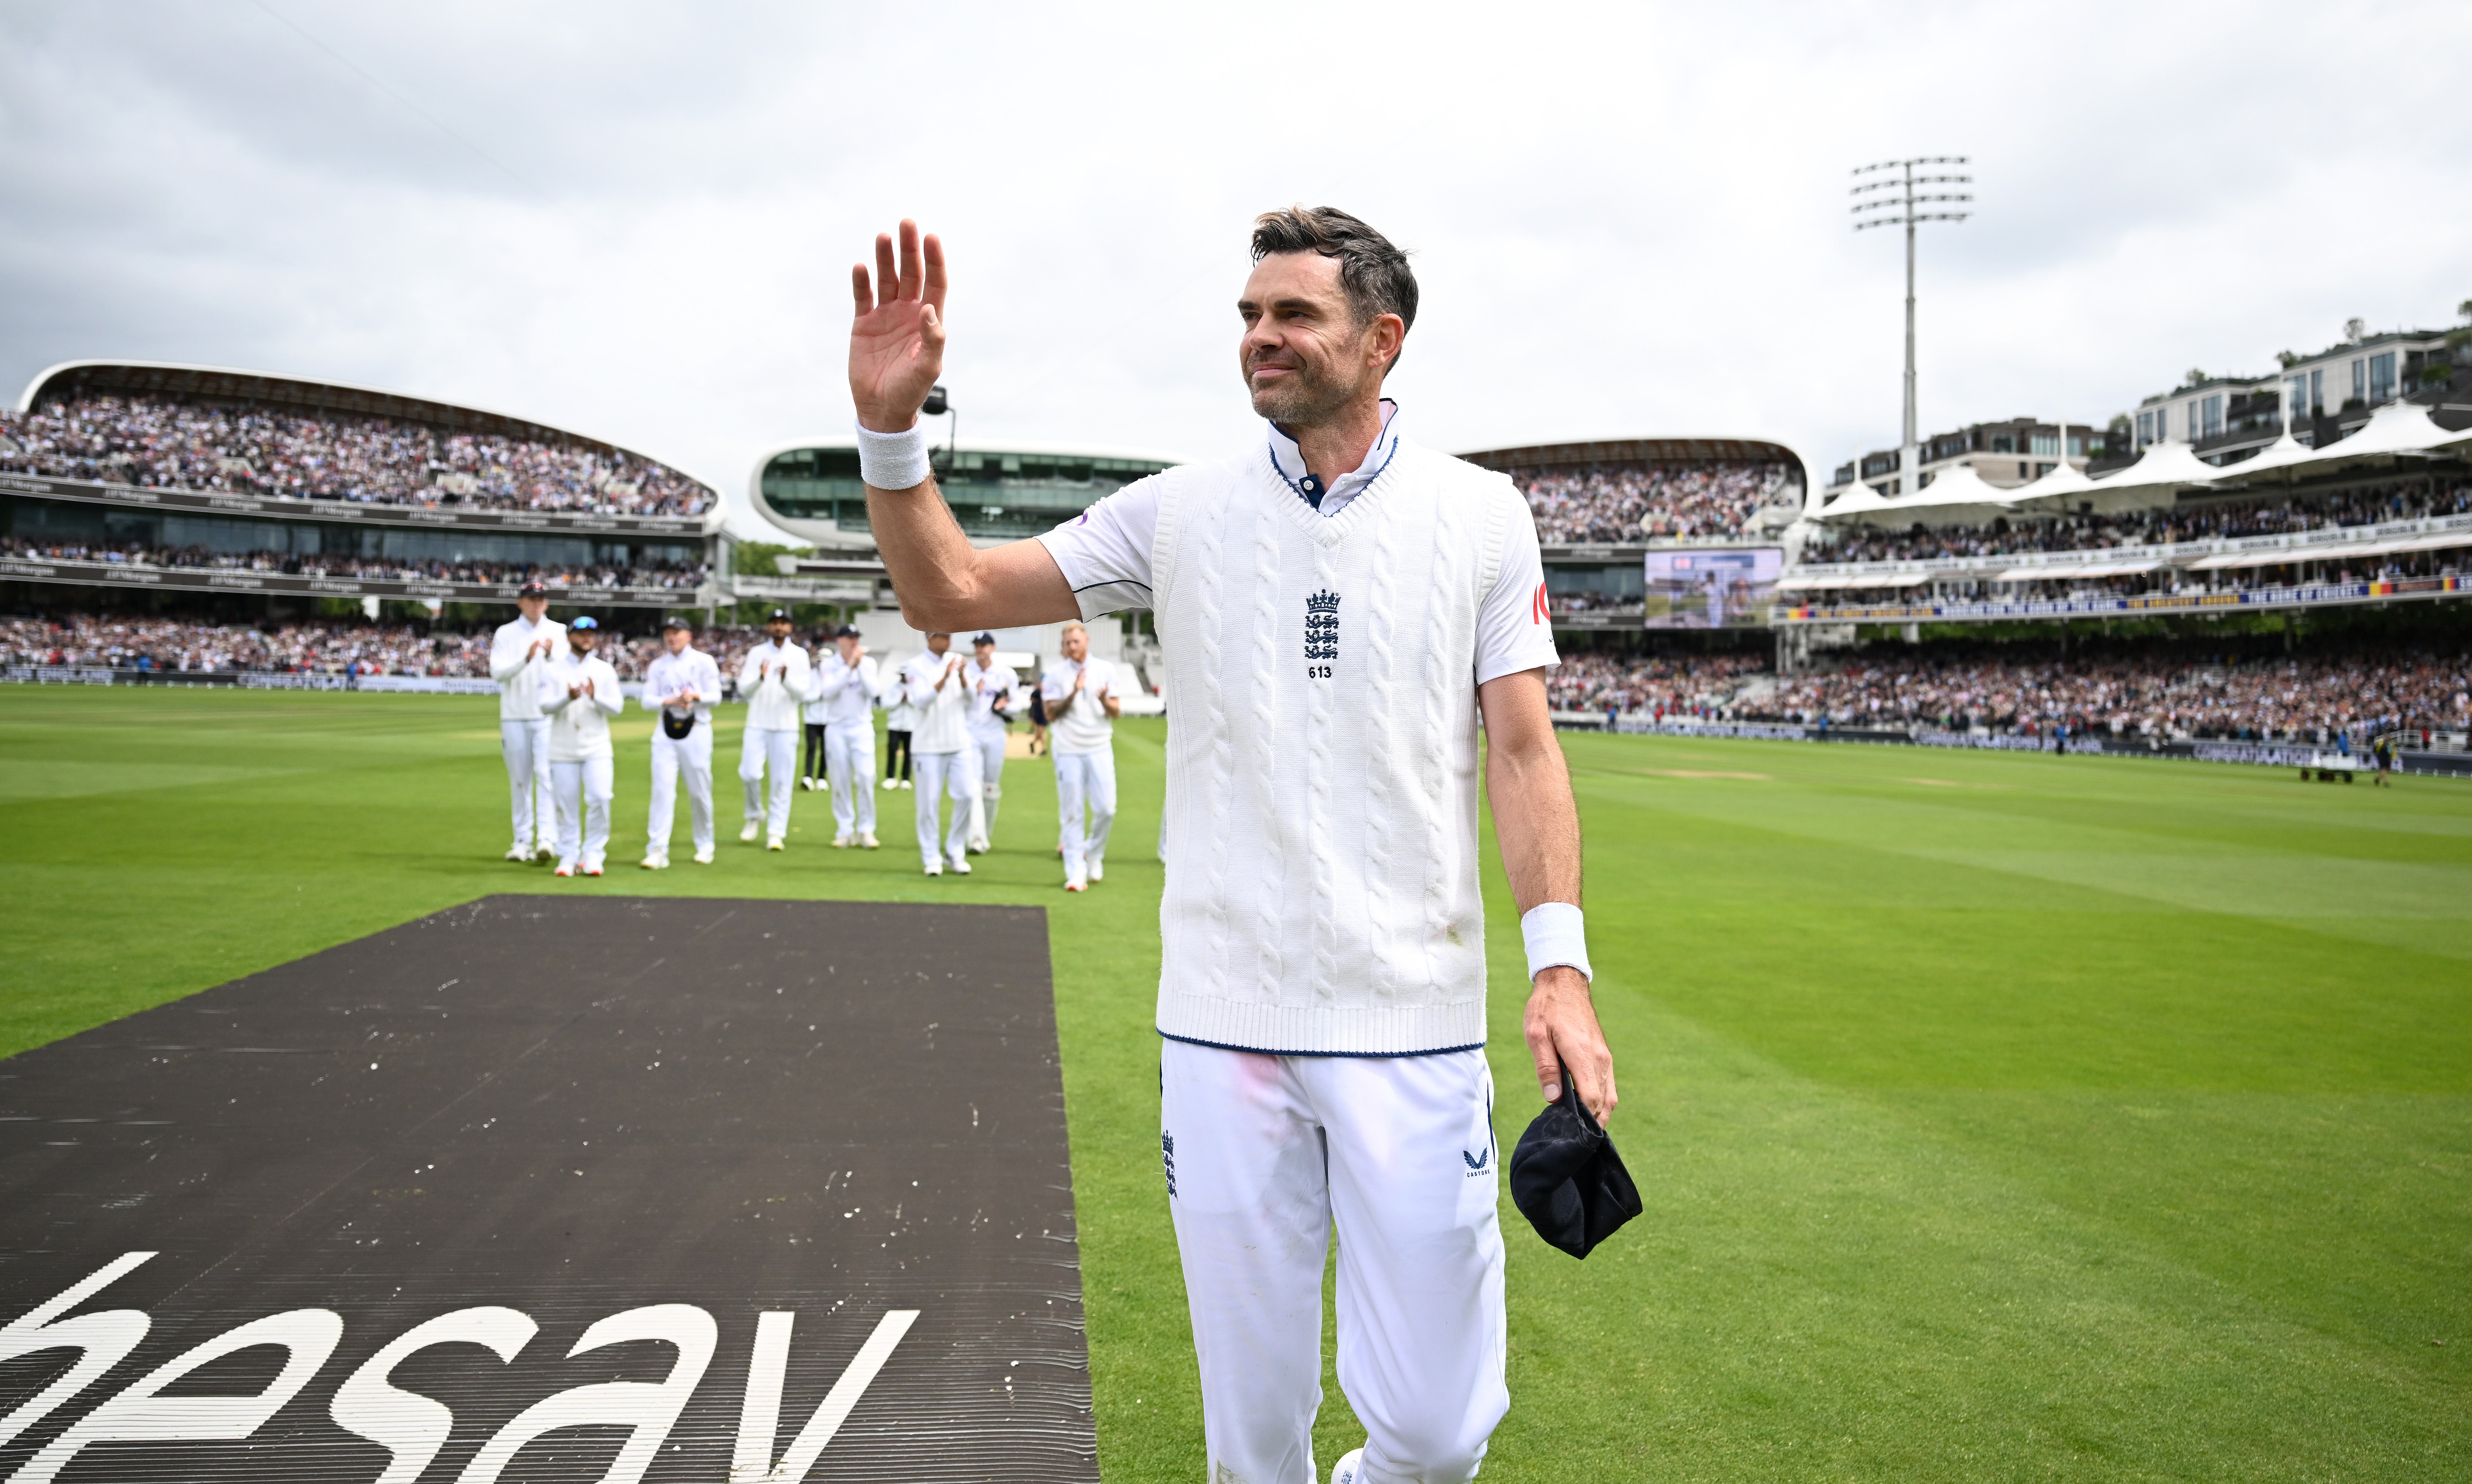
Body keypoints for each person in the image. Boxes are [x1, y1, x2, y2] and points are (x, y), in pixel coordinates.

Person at [846, 210, 1612, 1484]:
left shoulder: (1482, 515)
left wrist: (1560, 969)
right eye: (1249, 316)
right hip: (1223, 1028)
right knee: (1251, 1442)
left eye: (1293, 316)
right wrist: (889, 428)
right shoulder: (1177, 513)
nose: (1260, 338)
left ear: (1383, 341)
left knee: (1436, 1433)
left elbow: (1527, 754)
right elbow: (949, 596)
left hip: (1411, 1025)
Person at [487, 580, 565, 861]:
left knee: (546, 777)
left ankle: (547, 839)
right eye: (531, 599)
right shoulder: (506, 633)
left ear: (547, 603)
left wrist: (552, 654)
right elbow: (498, 674)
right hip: (514, 715)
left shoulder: (559, 632)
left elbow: (566, 670)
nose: (537, 604)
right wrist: (527, 657)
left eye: (541, 599)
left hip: (546, 716)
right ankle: (522, 841)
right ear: (520, 603)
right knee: (520, 780)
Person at [1040, 621, 1120, 891]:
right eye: (1068, 643)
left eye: (1077, 641)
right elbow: (1050, 714)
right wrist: (1074, 692)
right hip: (1068, 750)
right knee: (1072, 812)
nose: (1073, 646)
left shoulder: (1106, 670)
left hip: (1099, 746)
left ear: (1086, 640)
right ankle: (1076, 872)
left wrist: (1104, 700)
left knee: (1107, 809)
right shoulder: (1054, 675)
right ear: (1063, 647)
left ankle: (1095, 855)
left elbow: (1116, 711)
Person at [541, 615, 623, 877]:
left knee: (600, 797)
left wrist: (594, 695)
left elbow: (617, 707)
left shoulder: (604, 669)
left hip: (597, 747)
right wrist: (568, 697)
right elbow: (544, 706)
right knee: (566, 804)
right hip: (562, 748)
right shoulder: (553, 669)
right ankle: (568, 854)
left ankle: (594, 854)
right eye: (581, 633)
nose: (587, 637)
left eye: (591, 633)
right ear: (570, 637)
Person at [642, 615, 722, 868]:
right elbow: (647, 700)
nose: (671, 637)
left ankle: (705, 844)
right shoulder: (658, 666)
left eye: (677, 632)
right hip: (665, 731)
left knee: (699, 792)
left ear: (689, 635)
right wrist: (671, 701)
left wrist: (694, 696)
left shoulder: (703, 662)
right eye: (668, 633)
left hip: (697, 730)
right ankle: (657, 849)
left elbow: (716, 697)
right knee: (662, 791)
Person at [897, 631, 975, 875]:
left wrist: (962, 675)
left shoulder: (958, 660)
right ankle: (931, 856)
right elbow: (920, 701)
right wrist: (946, 676)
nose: (949, 639)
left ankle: (955, 850)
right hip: (927, 747)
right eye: (943, 635)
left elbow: (972, 699)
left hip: (958, 742)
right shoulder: (915, 667)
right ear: (931, 638)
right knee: (928, 804)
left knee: (967, 795)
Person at [736, 607, 810, 850]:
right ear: (769, 627)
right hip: (757, 723)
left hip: (786, 726)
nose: (778, 627)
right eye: (774, 623)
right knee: (750, 773)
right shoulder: (757, 653)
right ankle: (755, 813)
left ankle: (776, 832)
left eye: (783, 623)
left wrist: (786, 679)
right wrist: (760, 677)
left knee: (782, 782)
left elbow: (803, 693)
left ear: (790, 628)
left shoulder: (799, 655)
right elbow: (744, 689)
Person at [808, 624, 883, 847]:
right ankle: (845, 829)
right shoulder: (830, 665)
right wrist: (849, 668)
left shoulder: (868, 663)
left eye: (856, 638)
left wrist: (858, 668)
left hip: (861, 727)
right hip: (837, 727)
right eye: (849, 638)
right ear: (839, 640)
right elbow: (828, 692)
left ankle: (866, 829)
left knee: (866, 776)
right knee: (840, 780)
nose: (854, 642)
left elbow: (873, 692)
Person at [961, 630, 1014, 853]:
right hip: (971, 733)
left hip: (995, 734)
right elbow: (958, 702)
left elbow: (1017, 703)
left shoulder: (1006, 673)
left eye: (984, 645)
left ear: (993, 647)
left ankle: (985, 833)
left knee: (990, 788)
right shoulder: (966, 672)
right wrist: (973, 691)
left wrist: (1005, 707)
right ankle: (976, 838)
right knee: (973, 786)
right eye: (977, 645)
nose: (980, 648)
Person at [799, 628, 834, 792]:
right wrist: (817, 696)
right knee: (812, 747)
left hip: (828, 718)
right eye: (820, 660)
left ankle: (822, 778)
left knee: (826, 749)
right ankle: (808, 776)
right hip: (812, 718)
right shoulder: (810, 676)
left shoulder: (834, 677)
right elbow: (803, 697)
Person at [881, 665, 917, 791]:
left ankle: (906, 779)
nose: (904, 677)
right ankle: (891, 778)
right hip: (895, 725)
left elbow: (920, 703)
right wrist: (899, 700)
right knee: (892, 750)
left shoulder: (915, 688)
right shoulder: (893, 688)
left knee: (909, 753)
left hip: (910, 726)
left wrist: (909, 699)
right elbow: (885, 704)